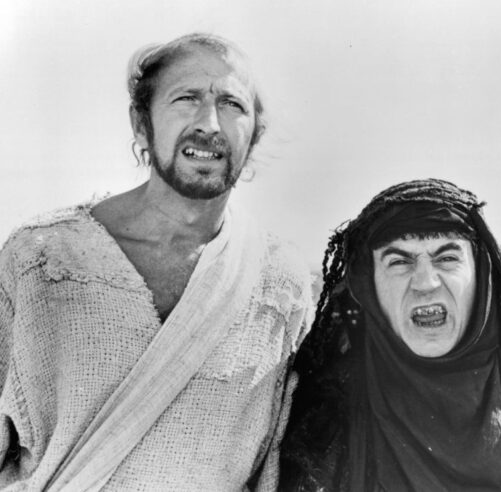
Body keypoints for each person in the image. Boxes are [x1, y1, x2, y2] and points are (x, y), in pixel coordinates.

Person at [0, 33, 312, 491]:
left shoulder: (281, 283)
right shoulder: (40, 259)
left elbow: (275, 466)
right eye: (186, 98)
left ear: (255, 134)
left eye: (232, 104)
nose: (210, 123)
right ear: (141, 123)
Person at [280, 179, 501, 491]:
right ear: (368, 287)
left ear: (482, 277)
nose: (425, 282)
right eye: (398, 261)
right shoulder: (327, 420)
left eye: (447, 258)